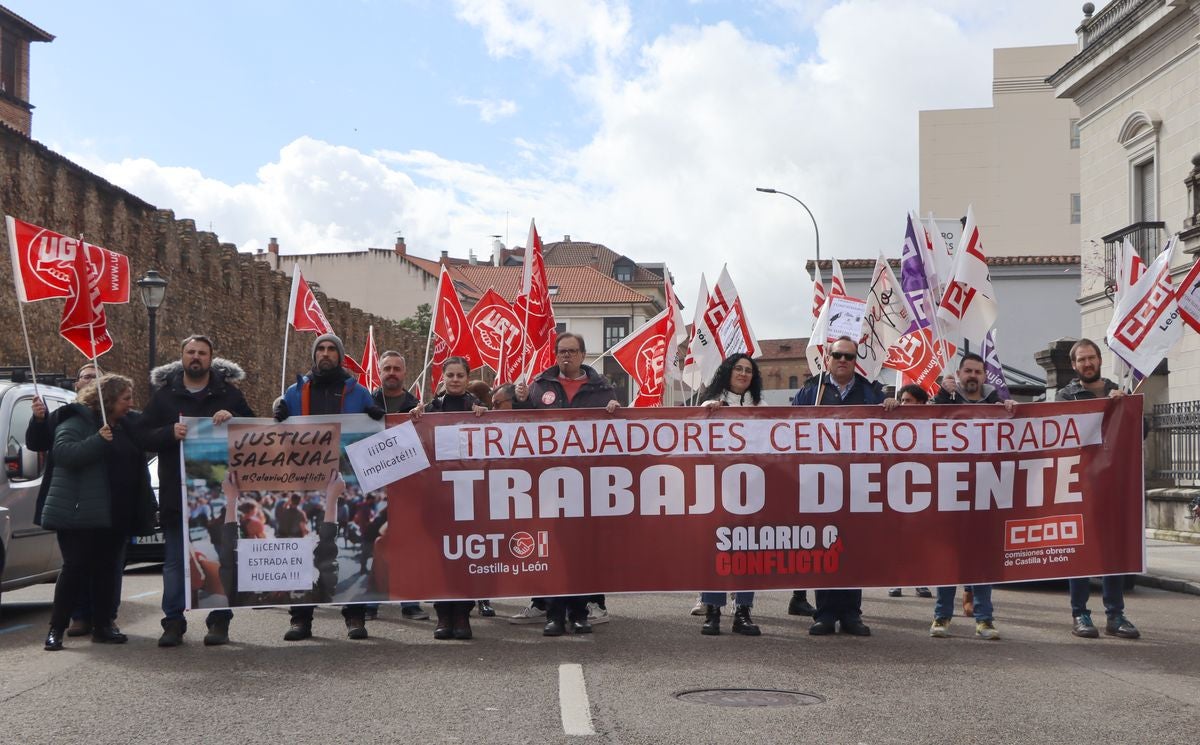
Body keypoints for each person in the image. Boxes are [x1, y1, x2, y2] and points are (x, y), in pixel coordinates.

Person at [139, 334, 255, 647]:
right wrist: (168, 433)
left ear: (210, 358)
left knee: (218, 556)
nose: (196, 357)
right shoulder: (164, 397)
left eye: (202, 353)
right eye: (190, 352)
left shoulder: (228, 394)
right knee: (176, 562)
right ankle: (173, 622)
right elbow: (144, 435)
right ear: (182, 356)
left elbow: (254, 428)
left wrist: (234, 418)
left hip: (218, 498)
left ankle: (219, 621)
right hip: (178, 496)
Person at [275, 333, 384, 641]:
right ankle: (301, 618)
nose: (325, 354)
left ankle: (354, 616)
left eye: (331, 349)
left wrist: (376, 416)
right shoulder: (296, 391)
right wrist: (280, 417)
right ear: (314, 354)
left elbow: (375, 437)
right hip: (306, 482)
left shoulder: (358, 392)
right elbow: (281, 437)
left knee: (349, 547)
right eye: (320, 349)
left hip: (346, 483)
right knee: (304, 547)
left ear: (340, 355)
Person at [514, 332, 620, 636]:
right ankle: (555, 613)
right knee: (553, 550)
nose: (566, 357)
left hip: (587, 482)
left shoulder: (602, 389)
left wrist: (615, 411)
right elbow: (521, 430)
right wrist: (521, 403)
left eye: (572, 351)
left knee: (581, 550)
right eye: (561, 351)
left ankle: (578, 612)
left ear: (583, 355)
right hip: (548, 481)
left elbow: (615, 433)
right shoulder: (540, 386)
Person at [41, 375, 155, 650]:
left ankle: (104, 625)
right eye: (125, 398)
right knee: (75, 569)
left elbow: (154, 432)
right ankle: (56, 628)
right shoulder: (76, 421)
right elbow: (64, 453)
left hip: (116, 514)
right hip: (82, 513)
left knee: (107, 570)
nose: (131, 403)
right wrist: (97, 440)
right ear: (109, 400)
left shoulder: (128, 425)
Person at [793, 336, 886, 636]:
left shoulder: (869, 391)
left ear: (855, 360)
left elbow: (887, 425)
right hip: (820, 481)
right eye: (838, 355)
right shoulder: (812, 390)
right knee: (826, 544)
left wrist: (892, 406)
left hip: (858, 481)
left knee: (853, 547)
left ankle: (851, 614)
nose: (843, 360)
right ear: (828, 358)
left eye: (849, 356)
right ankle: (825, 613)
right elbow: (789, 426)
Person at [26, 363, 127, 637]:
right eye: (85, 377)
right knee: (76, 563)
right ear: (77, 384)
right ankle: (78, 618)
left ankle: (105, 619)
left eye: (96, 377)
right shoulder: (65, 416)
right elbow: (44, 446)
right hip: (72, 502)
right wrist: (37, 419)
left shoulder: (118, 418)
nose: (89, 381)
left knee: (107, 565)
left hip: (107, 505)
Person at [1057, 339, 1139, 640]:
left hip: (1112, 486)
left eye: (1091, 358)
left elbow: (1140, 433)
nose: (1087, 363)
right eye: (1081, 360)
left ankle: (1115, 615)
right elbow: (1056, 432)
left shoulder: (1118, 391)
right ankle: (1080, 613)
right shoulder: (1065, 396)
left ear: (1099, 360)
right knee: (1079, 550)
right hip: (1079, 486)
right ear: (1074, 365)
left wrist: (1128, 405)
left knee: (1112, 552)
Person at [928, 352, 1011, 641]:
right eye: (968, 371)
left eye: (978, 372)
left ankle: (984, 620)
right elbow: (925, 423)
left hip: (986, 492)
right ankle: (941, 616)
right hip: (951, 491)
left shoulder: (996, 404)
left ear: (984, 376)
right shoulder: (947, 400)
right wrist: (941, 394)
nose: (973, 376)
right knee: (949, 560)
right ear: (960, 374)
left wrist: (1010, 409)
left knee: (982, 561)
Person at [410, 356, 488, 640]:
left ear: (468, 379)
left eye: (460, 375)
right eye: (450, 375)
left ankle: (462, 616)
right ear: (442, 378)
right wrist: (415, 418)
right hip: (436, 499)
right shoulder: (427, 411)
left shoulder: (479, 410)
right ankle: (443, 615)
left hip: (468, 499)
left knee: (465, 559)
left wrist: (486, 417)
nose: (455, 379)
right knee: (439, 559)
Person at [697, 354, 764, 637]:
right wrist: (708, 410)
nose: (743, 373)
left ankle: (743, 612)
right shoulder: (709, 403)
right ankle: (712, 611)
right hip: (716, 487)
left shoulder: (761, 407)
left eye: (749, 370)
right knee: (716, 548)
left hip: (751, 487)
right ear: (727, 371)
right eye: (738, 368)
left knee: (747, 550)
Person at [885, 384, 934, 600]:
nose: (904, 404)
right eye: (902, 400)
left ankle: (919, 581)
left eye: (909, 401)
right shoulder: (893, 420)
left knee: (921, 539)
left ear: (921, 404)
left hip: (923, 489)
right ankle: (896, 580)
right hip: (896, 487)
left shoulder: (932, 424)